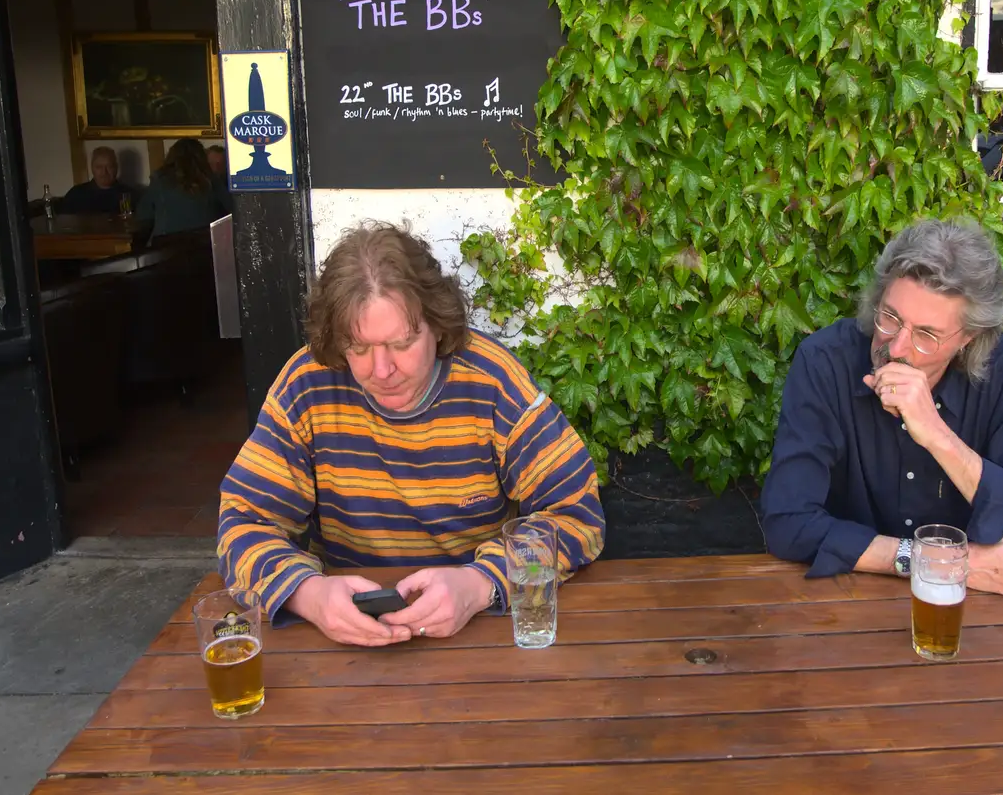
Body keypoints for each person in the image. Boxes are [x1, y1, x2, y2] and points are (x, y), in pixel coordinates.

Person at [217, 223, 605, 646]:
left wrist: (481, 584)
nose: (381, 372)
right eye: (359, 348)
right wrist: (309, 595)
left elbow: (575, 513)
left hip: (479, 630)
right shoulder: (306, 386)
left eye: (401, 343)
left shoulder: (493, 384)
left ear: (437, 326)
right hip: (347, 636)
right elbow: (243, 522)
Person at [761, 217, 1003, 595]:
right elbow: (786, 521)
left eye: (927, 335)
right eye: (890, 317)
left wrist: (937, 435)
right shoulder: (825, 362)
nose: (895, 348)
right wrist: (937, 563)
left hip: (981, 612)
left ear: (969, 337)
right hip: (847, 598)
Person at [135, 137, 226, 240]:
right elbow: (231, 210)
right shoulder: (211, 180)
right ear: (202, 158)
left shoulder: (159, 180)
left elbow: (143, 215)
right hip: (203, 247)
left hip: (164, 249)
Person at [58, 146, 138, 215]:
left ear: (116, 168)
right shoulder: (76, 195)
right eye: (99, 167)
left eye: (109, 166)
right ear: (92, 168)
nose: (104, 172)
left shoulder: (130, 195)